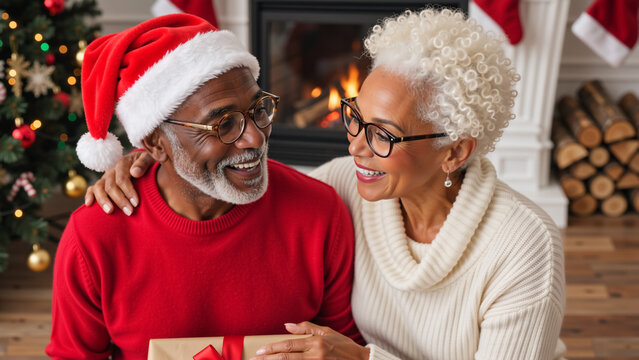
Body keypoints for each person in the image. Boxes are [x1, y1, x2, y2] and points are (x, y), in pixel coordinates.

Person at [86, 9, 567, 360]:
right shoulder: (343, 185)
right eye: (357, 118)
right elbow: (240, 186)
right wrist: (148, 159)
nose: (355, 146)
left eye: (383, 134)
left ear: (456, 151)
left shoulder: (525, 245)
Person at [46, 14, 362, 359]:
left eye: (259, 109)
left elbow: (343, 347)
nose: (255, 137)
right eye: (223, 123)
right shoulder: (94, 236)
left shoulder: (318, 211)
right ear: (155, 145)